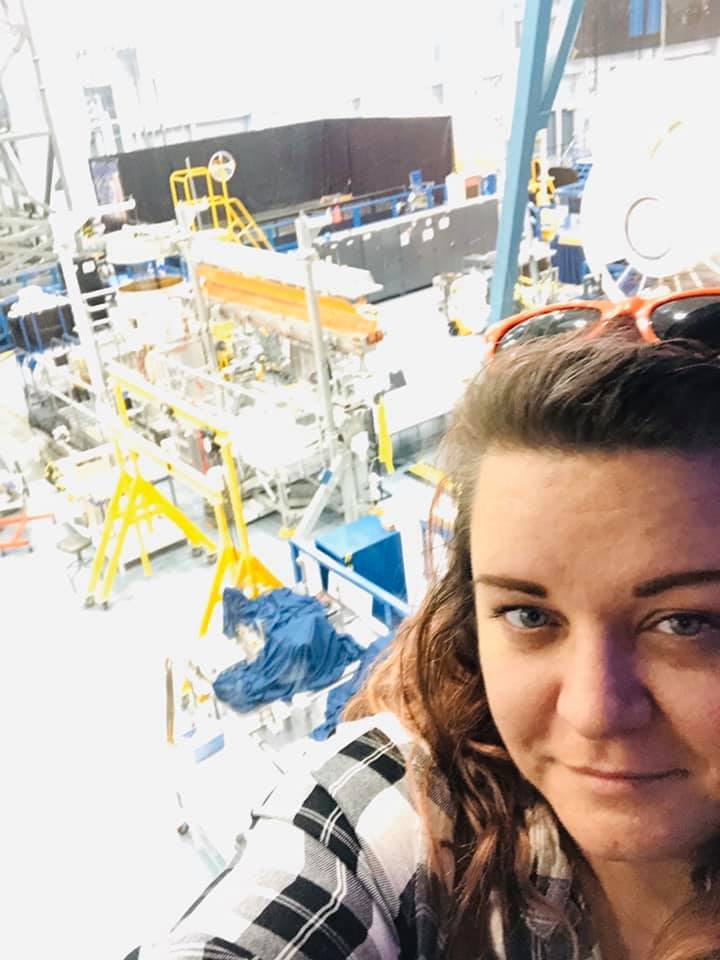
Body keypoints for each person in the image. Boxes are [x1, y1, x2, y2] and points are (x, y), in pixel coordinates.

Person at [143, 325, 720, 960]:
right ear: (469, 620)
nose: (594, 710)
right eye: (528, 616)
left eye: (684, 623)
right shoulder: (406, 813)